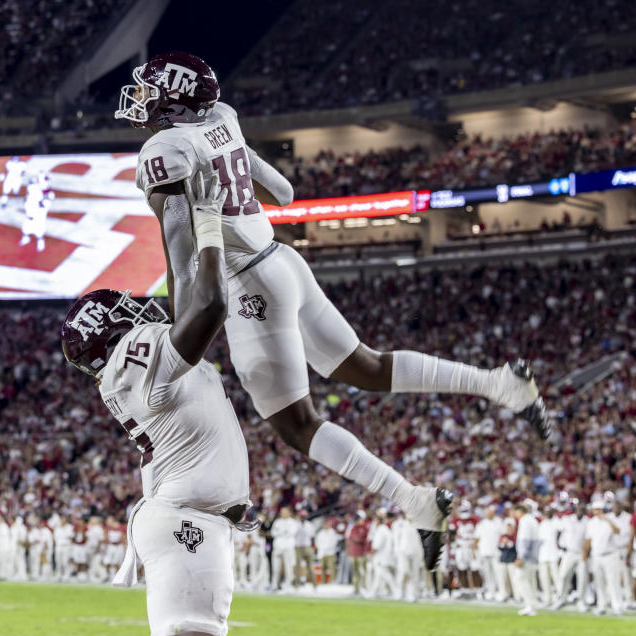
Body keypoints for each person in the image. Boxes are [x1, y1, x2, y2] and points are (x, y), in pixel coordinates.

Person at [116, 51, 551, 571]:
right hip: (282, 260)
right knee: (365, 367)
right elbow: (282, 189)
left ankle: (415, 501)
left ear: (174, 99)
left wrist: (178, 337)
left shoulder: (163, 150)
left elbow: (182, 261)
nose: (141, 98)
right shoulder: (221, 115)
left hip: (247, 283)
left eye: (150, 89)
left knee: (296, 424)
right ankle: (500, 384)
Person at [60, 171, 254, 636]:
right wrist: (206, 222)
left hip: (186, 518)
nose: (138, 311)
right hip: (185, 521)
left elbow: (185, 285)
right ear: (112, 334)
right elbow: (207, 307)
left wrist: (173, 214)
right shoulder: (133, 358)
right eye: (122, 313)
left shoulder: (128, 372)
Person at [584, 498, 624, 615]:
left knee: (613, 582)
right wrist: (586, 553)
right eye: (595, 510)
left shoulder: (611, 519)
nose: (597, 512)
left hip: (610, 555)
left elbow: (617, 531)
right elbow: (589, 539)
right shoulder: (591, 523)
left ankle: (617, 606)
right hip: (596, 555)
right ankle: (602, 605)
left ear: (603, 510)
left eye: (599, 509)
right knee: (599, 582)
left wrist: (607, 519)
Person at [551, 499, 589, 612]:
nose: (580, 511)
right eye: (578, 509)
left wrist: (586, 553)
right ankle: (561, 599)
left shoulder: (588, 521)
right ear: (575, 510)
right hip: (569, 552)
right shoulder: (567, 519)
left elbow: (588, 539)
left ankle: (581, 601)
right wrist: (558, 545)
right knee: (563, 576)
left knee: (582, 578)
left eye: (582, 509)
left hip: (582, 553)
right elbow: (559, 532)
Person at [512, 502, 541, 616]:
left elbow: (525, 541)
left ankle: (531, 605)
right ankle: (532, 604)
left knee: (520, 580)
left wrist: (521, 557)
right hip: (533, 556)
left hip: (527, 557)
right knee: (528, 581)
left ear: (520, 511)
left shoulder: (525, 521)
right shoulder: (532, 520)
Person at [392, 510, 424, 602]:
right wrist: (397, 552)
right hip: (403, 552)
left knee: (415, 574)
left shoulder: (420, 525)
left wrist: (422, 554)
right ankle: (399, 592)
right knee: (404, 572)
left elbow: (422, 541)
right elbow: (396, 540)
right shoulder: (400, 525)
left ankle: (412, 594)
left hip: (416, 552)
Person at [473, 505, 502, 600]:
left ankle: (500, 591)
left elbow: (504, 536)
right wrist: (474, 552)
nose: (488, 514)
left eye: (490, 512)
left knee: (498, 573)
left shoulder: (499, 522)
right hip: (484, 552)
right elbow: (476, 539)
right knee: (487, 574)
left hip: (496, 553)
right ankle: (491, 591)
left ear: (494, 513)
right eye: (487, 513)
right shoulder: (481, 524)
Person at [269, 507, 300, 591]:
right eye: (281, 512)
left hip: (288, 547)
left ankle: (288, 585)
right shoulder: (277, 522)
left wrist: (280, 532)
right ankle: (274, 585)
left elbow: (291, 533)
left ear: (289, 513)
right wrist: (282, 532)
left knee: (288, 568)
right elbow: (273, 533)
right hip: (278, 547)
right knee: (275, 568)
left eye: (284, 512)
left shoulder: (293, 522)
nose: (282, 513)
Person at [537, 505, 560, 604]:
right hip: (543, 554)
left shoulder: (557, 522)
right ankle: (547, 598)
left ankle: (560, 597)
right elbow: (539, 540)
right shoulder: (543, 523)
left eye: (548, 511)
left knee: (557, 577)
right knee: (544, 578)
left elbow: (560, 534)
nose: (547, 513)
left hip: (554, 554)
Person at [346, 511, 371, 596]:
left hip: (361, 553)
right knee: (355, 572)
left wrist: (358, 541)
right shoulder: (352, 528)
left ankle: (365, 588)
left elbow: (366, 540)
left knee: (363, 572)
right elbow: (349, 539)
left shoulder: (365, 528)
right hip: (353, 553)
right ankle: (356, 589)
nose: (361, 521)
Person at [315, 519, 341, 587]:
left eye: (327, 524)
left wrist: (326, 547)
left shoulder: (333, 533)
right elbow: (317, 542)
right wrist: (321, 548)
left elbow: (334, 542)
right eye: (325, 524)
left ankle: (333, 581)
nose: (326, 526)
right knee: (322, 567)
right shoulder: (320, 533)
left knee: (331, 567)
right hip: (322, 552)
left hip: (330, 552)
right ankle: (323, 581)